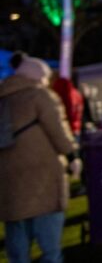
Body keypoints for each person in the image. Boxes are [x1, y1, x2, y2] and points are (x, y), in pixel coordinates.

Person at [0, 54, 81, 263]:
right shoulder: (40, 96)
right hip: (43, 178)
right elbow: (58, 132)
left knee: (17, 244)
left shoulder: (4, 98)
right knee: (50, 248)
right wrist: (72, 155)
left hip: (9, 182)